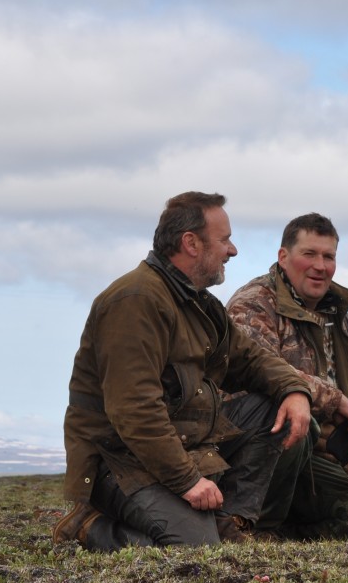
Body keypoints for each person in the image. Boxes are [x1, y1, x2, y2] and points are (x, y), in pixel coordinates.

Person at [54, 192, 313, 550]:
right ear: (191, 243)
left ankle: (228, 522)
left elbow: (250, 358)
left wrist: (294, 390)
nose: (232, 250)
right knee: (194, 549)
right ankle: (90, 524)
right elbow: (135, 411)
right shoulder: (135, 301)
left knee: (270, 409)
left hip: (181, 442)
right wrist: (188, 482)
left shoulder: (199, 304)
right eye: (224, 240)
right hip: (119, 460)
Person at [223, 213, 348, 542]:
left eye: (329, 256)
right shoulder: (251, 305)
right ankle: (254, 525)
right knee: (296, 417)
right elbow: (257, 371)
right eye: (309, 254)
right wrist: (333, 400)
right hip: (251, 456)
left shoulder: (343, 325)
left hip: (313, 462)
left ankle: (282, 536)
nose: (320, 266)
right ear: (284, 257)